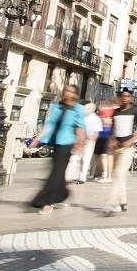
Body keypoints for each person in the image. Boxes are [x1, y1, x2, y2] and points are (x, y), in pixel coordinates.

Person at [31, 84, 85, 214]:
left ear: (76, 95)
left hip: (67, 143)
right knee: (58, 172)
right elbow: (49, 125)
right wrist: (37, 139)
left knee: (56, 172)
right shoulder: (56, 107)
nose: (67, 93)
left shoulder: (77, 109)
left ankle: (47, 202)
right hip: (56, 142)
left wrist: (80, 142)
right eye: (65, 90)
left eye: (70, 91)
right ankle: (62, 193)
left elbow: (80, 126)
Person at [102, 87, 137, 215]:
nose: (124, 97)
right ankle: (123, 203)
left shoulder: (135, 111)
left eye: (127, 96)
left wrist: (132, 140)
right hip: (117, 148)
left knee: (119, 174)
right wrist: (111, 139)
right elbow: (113, 128)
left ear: (131, 98)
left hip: (127, 148)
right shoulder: (116, 112)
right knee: (119, 175)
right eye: (123, 95)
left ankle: (111, 203)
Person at [75, 101, 103, 184]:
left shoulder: (97, 119)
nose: (85, 109)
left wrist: (88, 140)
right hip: (80, 140)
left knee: (85, 159)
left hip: (89, 141)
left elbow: (96, 133)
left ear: (92, 109)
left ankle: (82, 177)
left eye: (87, 108)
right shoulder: (82, 117)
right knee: (78, 159)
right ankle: (77, 175)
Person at [93, 97, 115, 182]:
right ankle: (99, 173)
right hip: (101, 135)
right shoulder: (103, 112)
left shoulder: (107, 111)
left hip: (106, 135)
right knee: (97, 156)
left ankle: (105, 174)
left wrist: (102, 120)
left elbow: (108, 122)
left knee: (103, 156)